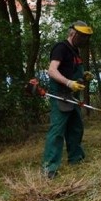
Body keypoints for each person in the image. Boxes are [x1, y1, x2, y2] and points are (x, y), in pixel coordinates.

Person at [42, 20, 94, 179]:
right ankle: (49, 168)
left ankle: (76, 158)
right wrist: (69, 82)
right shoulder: (61, 48)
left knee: (76, 127)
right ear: (73, 33)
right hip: (60, 94)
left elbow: (72, 70)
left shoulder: (75, 51)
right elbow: (52, 71)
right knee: (57, 130)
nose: (84, 39)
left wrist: (83, 76)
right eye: (82, 36)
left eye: (86, 37)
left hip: (72, 95)